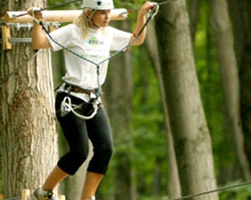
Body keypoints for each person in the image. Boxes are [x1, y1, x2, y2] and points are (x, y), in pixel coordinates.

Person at [26, 1, 155, 200]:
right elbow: (39, 43)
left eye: (108, 13)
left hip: (93, 99)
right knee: (79, 152)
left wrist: (142, 15)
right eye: (102, 13)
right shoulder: (72, 32)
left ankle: (87, 197)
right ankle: (44, 191)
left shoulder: (108, 33)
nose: (107, 17)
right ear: (88, 12)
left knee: (105, 149)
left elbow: (136, 39)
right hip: (70, 97)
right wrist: (37, 21)